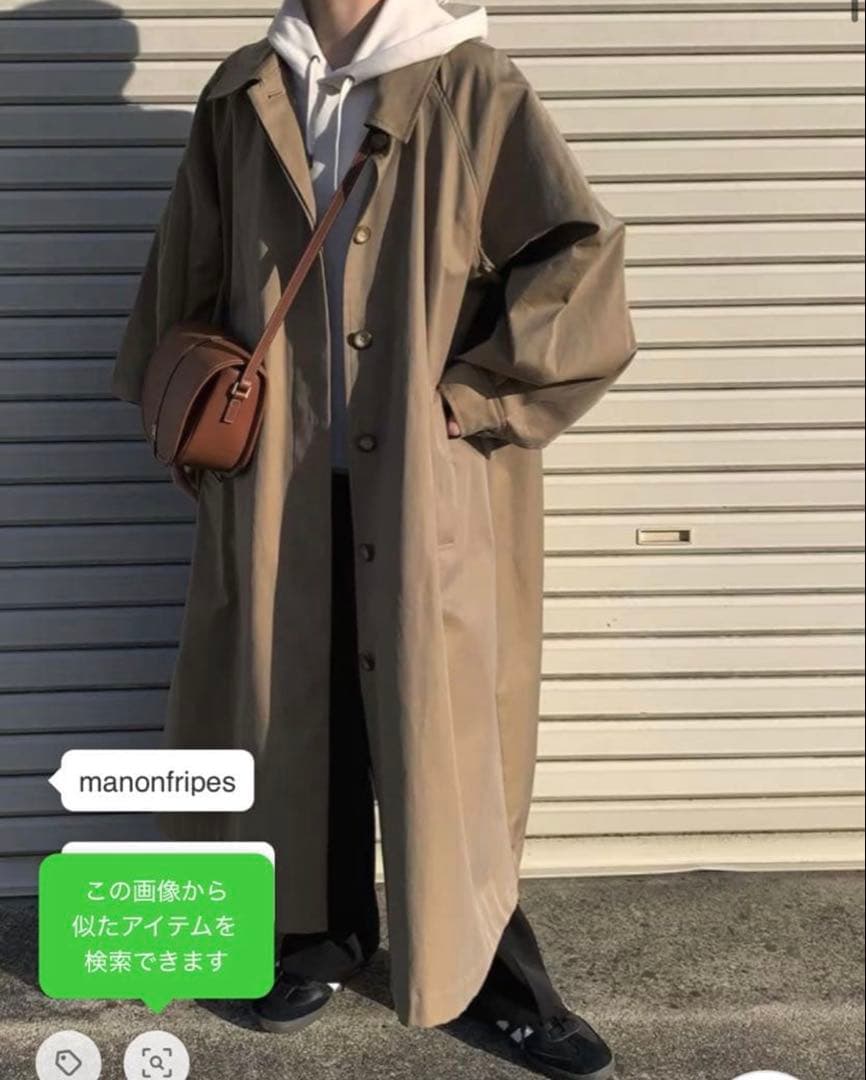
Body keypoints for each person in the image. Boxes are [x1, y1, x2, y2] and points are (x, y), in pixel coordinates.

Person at [110, 1, 637, 1076]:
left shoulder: (472, 86)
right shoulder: (243, 92)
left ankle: (496, 981)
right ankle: (315, 938)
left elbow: (576, 262)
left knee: (448, 735)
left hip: (426, 488)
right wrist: (182, 413)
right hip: (279, 480)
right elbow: (187, 270)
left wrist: (472, 397)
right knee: (290, 716)